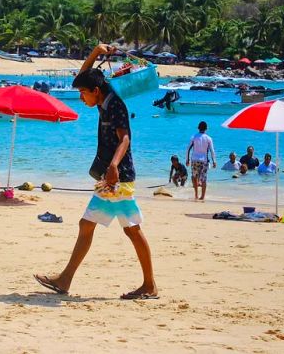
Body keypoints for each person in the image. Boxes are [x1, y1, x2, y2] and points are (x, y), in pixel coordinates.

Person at [34, 43, 157, 300]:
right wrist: (95, 52)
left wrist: (113, 166)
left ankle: (148, 285)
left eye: (83, 94)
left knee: (118, 228)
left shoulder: (115, 105)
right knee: (107, 227)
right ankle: (67, 279)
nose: (81, 98)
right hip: (114, 177)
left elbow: (125, 139)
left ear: (96, 91)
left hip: (117, 177)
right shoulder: (103, 97)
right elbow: (84, 77)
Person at [186, 121, 216, 201]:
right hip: (204, 160)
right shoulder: (209, 138)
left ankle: (196, 195)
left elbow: (188, 149)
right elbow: (212, 151)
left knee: (194, 177)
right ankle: (202, 196)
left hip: (195, 160)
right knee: (204, 178)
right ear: (206, 128)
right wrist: (214, 161)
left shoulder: (194, 137)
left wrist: (187, 159)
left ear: (198, 128)